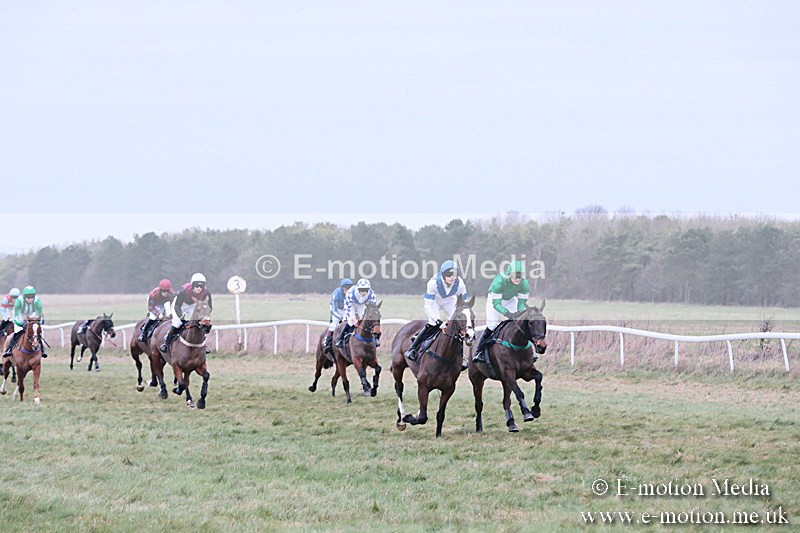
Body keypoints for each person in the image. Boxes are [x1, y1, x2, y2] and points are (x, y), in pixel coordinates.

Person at [405, 260, 469, 369]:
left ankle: (460, 357)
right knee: (432, 323)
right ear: (443, 275)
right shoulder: (433, 282)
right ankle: (412, 349)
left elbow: (463, 305)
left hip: (449, 300)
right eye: (449, 275)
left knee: (457, 326)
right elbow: (428, 306)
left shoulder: (460, 283)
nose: (452, 277)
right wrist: (438, 321)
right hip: (435, 300)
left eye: (454, 274)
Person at [473, 260, 530, 362]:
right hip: (495, 301)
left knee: (518, 323)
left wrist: (520, 313)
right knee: (492, 325)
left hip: (511, 300)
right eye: (515, 276)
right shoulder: (499, 281)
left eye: (520, 276)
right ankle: (479, 352)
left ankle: (530, 351)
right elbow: (496, 304)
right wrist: (507, 313)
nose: (518, 279)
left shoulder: (524, 283)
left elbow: (521, 304)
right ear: (509, 274)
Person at [159, 273, 213, 352]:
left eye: (201, 286)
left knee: (200, 322)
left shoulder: (206, 293)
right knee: (177, 324)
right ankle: (166, 344)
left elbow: (209, 306)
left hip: (192, 305)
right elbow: (177, 306)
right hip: (180, 305)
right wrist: (181, 317)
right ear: (192, 285)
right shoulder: (184, 291)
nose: (199, 288)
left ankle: (203, 344)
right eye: (197, 286)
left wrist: (204, 317)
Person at [3, 285, 46, 358]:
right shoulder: (19, 301)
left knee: (36, 332)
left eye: (32, 296)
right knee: (18, 331)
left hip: (31, 314)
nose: (30, 299)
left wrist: (39, 322)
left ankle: (43, 349)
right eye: (28, 297)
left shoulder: (37, 301)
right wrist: (21, 324)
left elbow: (40, 315)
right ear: (24, 296)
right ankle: (9, 349)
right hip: (20, 314)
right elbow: (16, 317)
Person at [336, 278, 378, 348]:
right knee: (351, 322)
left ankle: (374, 339)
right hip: (351, 305)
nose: (364, 292)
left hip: (362, 304)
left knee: (364, 320)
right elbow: (347, 307)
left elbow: (372, 307)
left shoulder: (371, 294)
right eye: (362, 290)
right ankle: (340, 339)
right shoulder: (351, 292)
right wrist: (353, 319)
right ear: (358, 289)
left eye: (366, 290)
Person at [324, 278, 353, 355]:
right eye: (346, 288)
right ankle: (327, 342)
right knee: (334, 324)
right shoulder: (336, 294)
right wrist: (340, 318)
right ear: (342, 288)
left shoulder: (352, 293)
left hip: (346, 309)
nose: (348, 290)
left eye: (349, 288)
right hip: (336, 309)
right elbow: (334, 310)